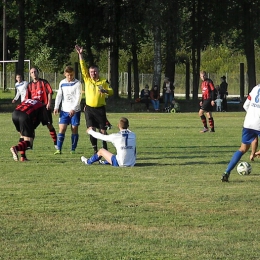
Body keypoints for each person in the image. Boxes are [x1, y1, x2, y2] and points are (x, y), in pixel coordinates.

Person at [75, 45, 114, 154]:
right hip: (89, 109)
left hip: (100, 109)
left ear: (98, 71)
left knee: (103, 131)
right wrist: (80, 54)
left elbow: (112, 91)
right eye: (91, 72)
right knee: (91, 130)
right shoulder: (87, 79)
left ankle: (105, 148)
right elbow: (83, 67)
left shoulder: (103, 81)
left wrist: (105, 91)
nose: (93, 73)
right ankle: (95, 150)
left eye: (95, 71)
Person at [221, 84, 260, 182]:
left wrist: (252, 114)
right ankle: (254, 154)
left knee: (242, 149)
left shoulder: (255, 88)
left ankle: (227, 172)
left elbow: (245, 105)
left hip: (248, 122)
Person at [25, 67, 57, 149]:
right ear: (30, 74)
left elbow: (50, 92)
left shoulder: (44, 82)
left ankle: (56, 143)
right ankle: (30, 144)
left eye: (35, 71)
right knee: (31, 127)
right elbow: (27, 99)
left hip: (44, 108)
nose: (34, 73)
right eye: (32, 72)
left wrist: (49, 103)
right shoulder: (29, 85)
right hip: (34, 109)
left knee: (49, 125)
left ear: (38, 73)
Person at [53, 66, 82, 154]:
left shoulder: (78, 83)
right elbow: (59, 95)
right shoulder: (62, 83)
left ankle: (73, 149)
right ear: (65, 74)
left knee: (74, 128)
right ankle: (58, 149)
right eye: (68, 75)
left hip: (75, 110)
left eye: (71, 75)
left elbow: (78, 97)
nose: (70, 77)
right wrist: (56, 106)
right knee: (62, 128)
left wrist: (73, 109)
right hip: (64, 110)